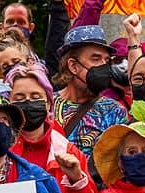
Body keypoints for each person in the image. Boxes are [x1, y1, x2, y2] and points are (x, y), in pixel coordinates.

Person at [6, 62, 97, 193]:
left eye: (36, 97)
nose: (28, 102)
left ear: (48, 103)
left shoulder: (69, 152)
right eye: (19, 98)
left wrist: (77, 180)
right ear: (8, 104)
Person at [52, 25, 129, 183]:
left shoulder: (115, 111)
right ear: (73, 66)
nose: (104, 66)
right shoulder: (47, 106)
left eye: (107, 60)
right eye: (95, 58)